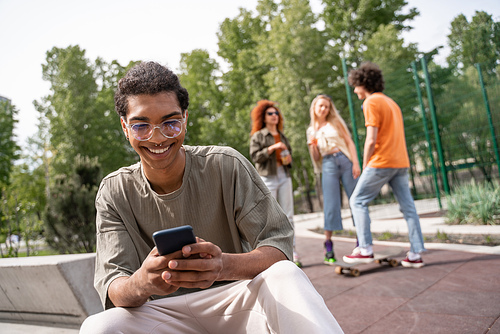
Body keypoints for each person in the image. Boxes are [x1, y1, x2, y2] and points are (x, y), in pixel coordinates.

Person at [79, 61, 343, 333]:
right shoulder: (114, 191)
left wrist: (223, 266)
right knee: (100, 326)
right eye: (141, 126)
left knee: (286, 274)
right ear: (125, 127)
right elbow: (114, 287)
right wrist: (142, 283)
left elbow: (279, 247)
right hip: (163, 315)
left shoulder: (225, 165)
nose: (157, 138)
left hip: (234, 301)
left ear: (185, 119)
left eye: (170, 123)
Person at [344, 61, 426, 268]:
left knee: (357, 201)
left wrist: (365, 164)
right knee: (408, 208)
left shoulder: (371, 103)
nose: (354, 90)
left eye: (356, 85)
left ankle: (365, 249)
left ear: (364, 83)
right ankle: (416, 253)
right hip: (401, 161)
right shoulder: (392, 103)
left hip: (382, 161)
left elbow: (371, 139)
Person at [307, 95, 360, 264]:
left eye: (327, 106)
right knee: (331, 204)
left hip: (344, 159)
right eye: (321, 106)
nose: (324, 109)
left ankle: (362, 241)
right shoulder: (311, 130)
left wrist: (356, 163)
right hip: (328, 163)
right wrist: (313, 146)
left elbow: (350, 142)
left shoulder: (336, 122)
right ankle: (328, 244)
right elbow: (316, 158)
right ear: (314, 107)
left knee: (355, 200)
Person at [249, 100, 302, 267]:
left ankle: (292, 252)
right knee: (269, 216)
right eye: (270, 113)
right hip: (267, 177)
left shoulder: (283, 135)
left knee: (289, 215)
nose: (274, 116)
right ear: (263, 117)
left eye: (276, 113)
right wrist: (272, 148)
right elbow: (255, 157)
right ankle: (268, 254)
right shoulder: (258, 136)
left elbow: (289, 156)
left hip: (284, 175)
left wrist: (288, 157)